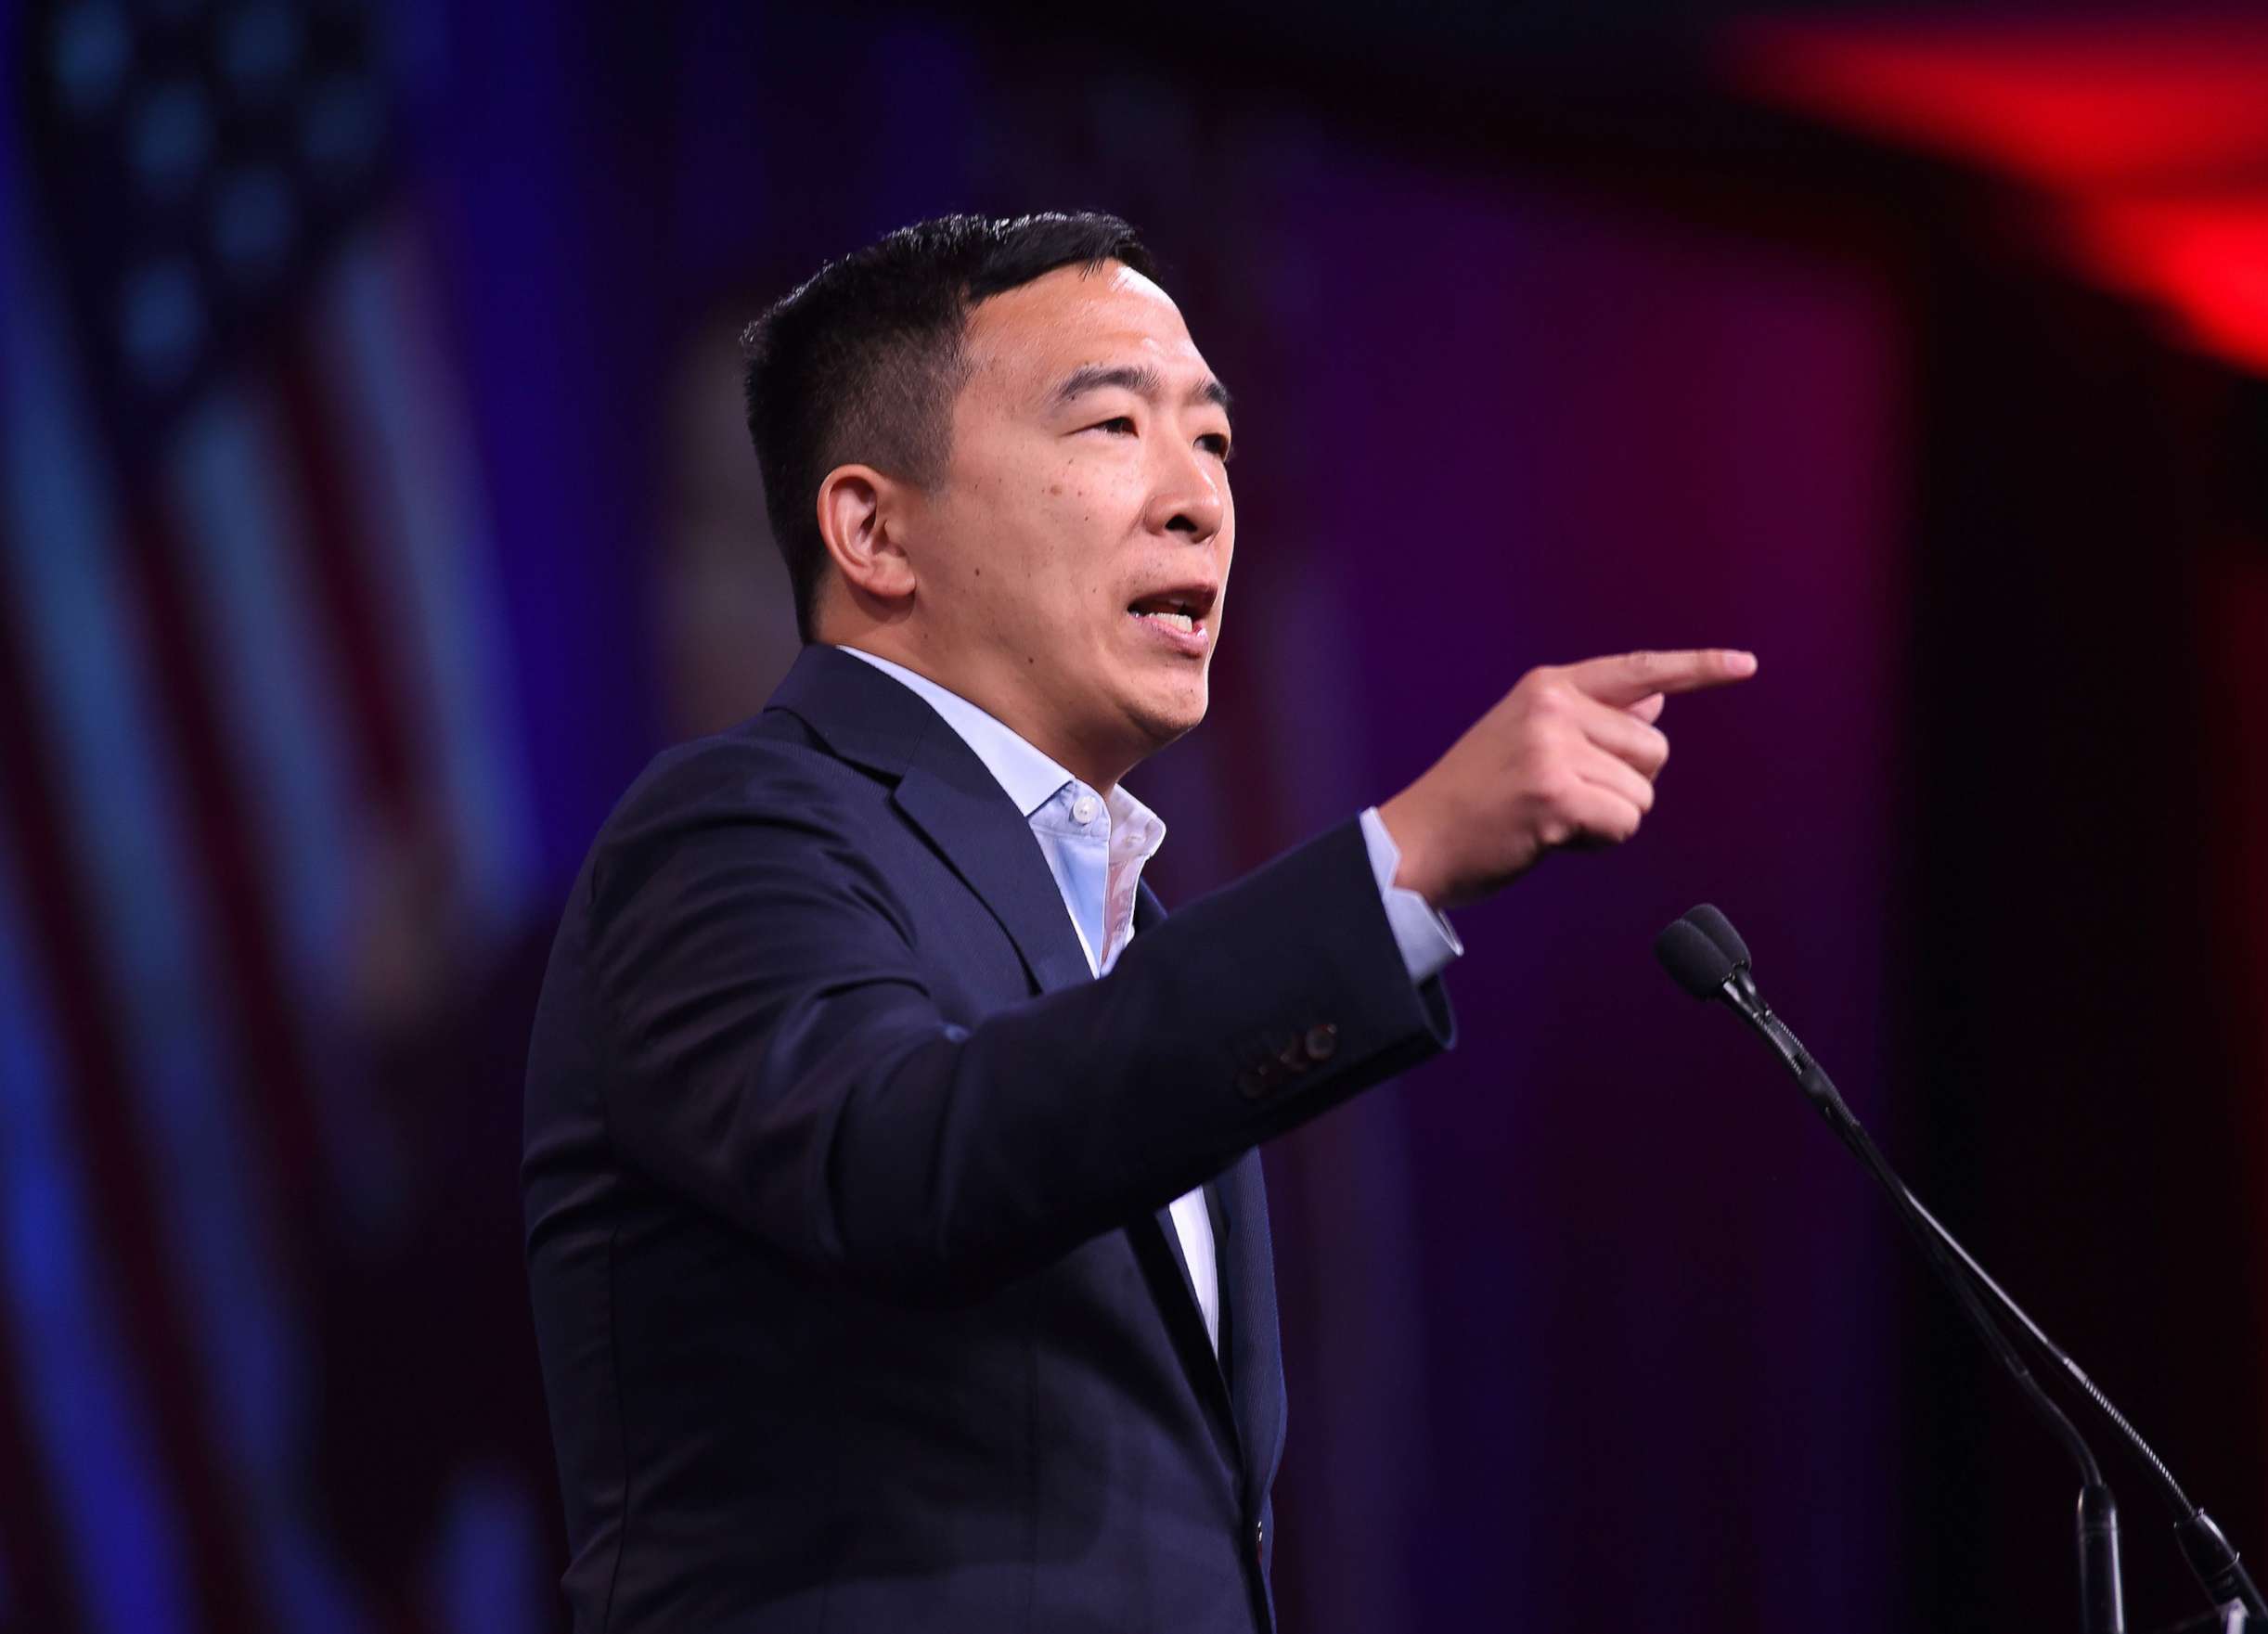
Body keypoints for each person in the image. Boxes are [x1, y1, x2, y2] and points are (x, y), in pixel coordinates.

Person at [522, 211, 1754, 1634]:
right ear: (873, 529)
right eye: (1114, 427)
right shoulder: (729, 831)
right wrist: (1400, 863)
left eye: (1216, 442)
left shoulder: (1120, 928)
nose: (1199, 501)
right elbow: (902, 1160)